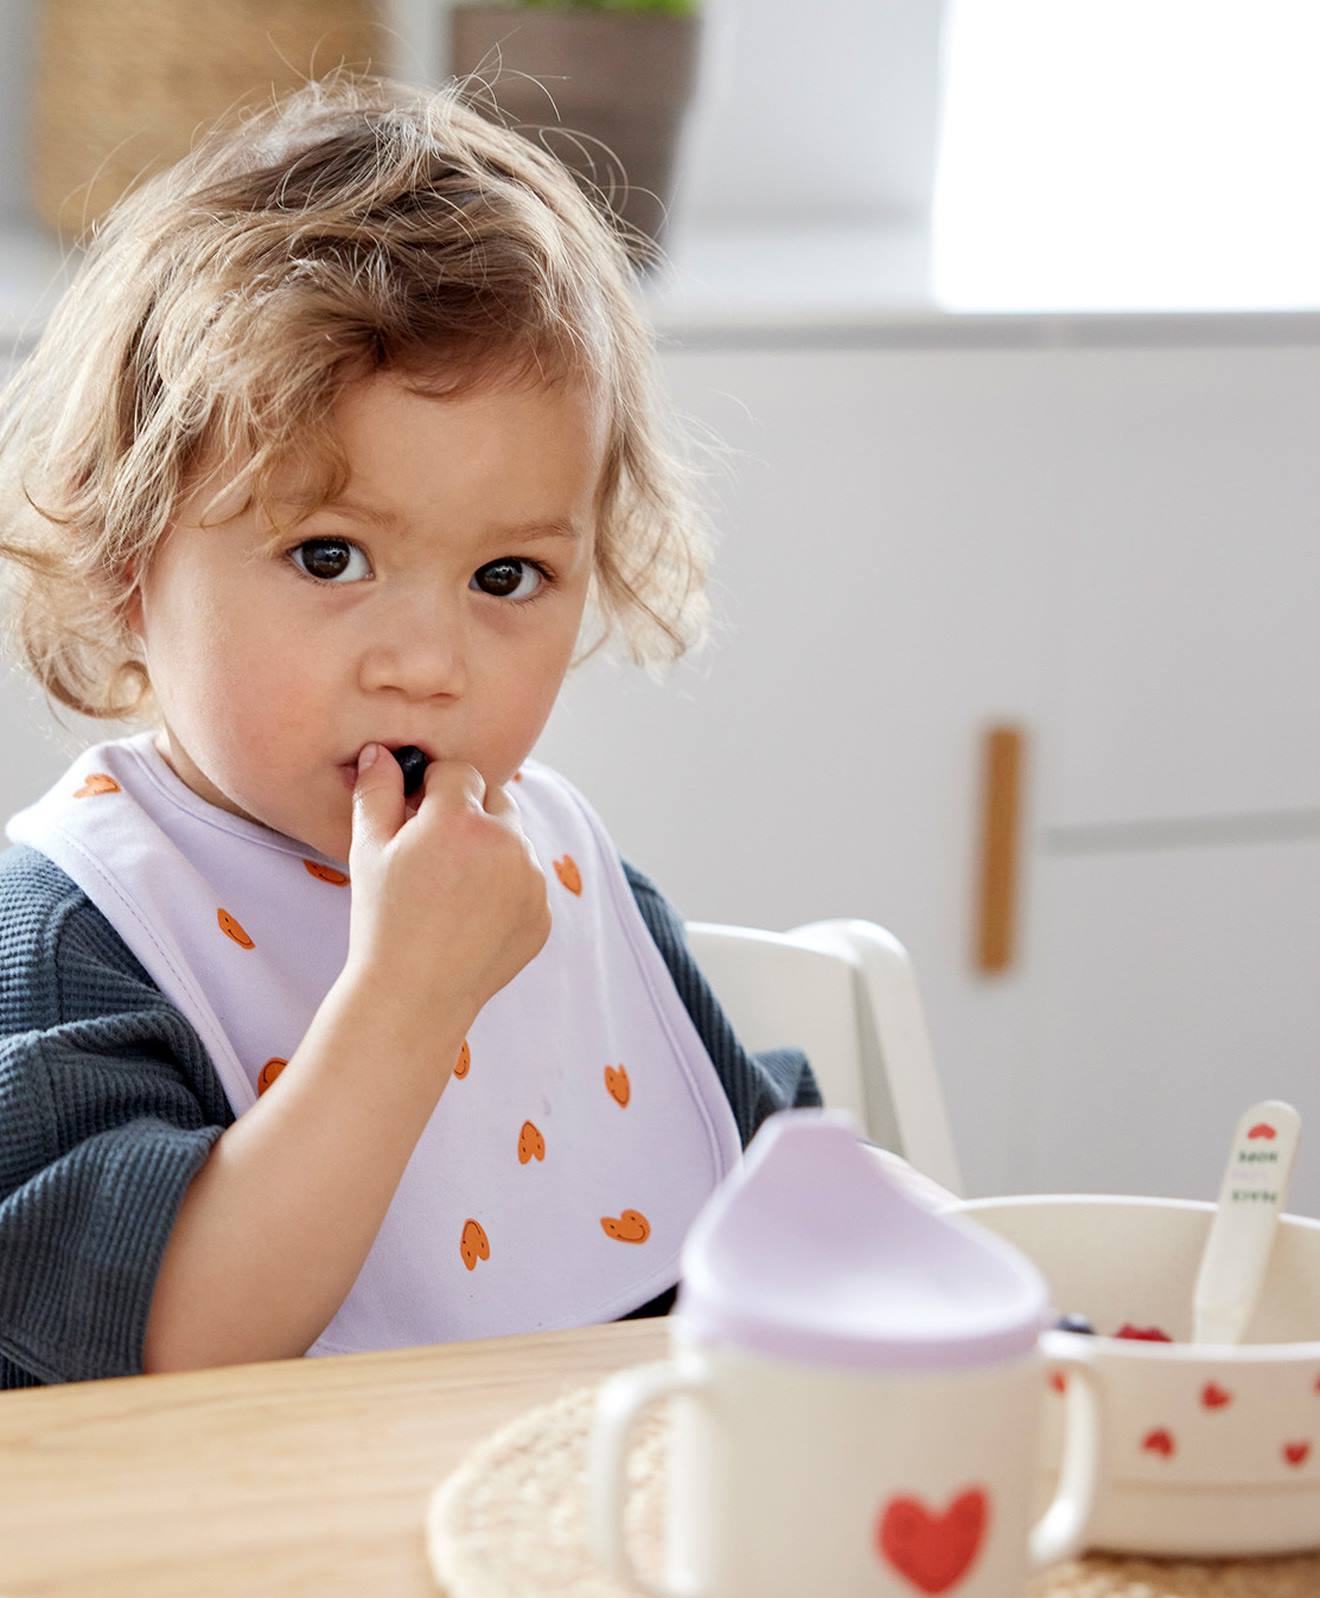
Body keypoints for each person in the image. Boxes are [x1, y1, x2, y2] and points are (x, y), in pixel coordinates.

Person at [0, 73, 826, 1390]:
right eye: (328, 556)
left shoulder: (558, 875)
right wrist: (407, 998)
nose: (428, 666)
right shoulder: (75, 936)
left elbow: (772, 1204)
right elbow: (153, 1349)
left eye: (508, 579)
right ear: (124, 568)